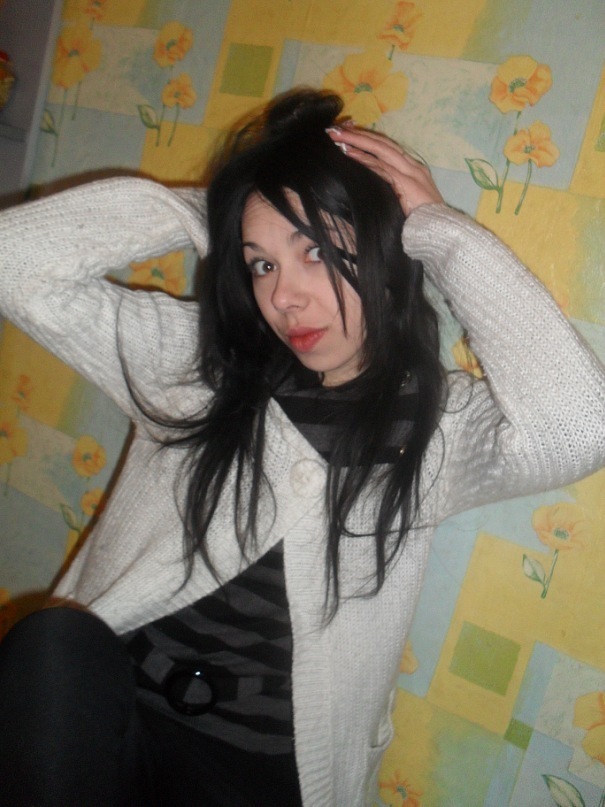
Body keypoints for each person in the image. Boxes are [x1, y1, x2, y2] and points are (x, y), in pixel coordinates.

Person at [0, 88, 603, 806]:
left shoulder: (435, 430)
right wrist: (218, 214)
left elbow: (579, 428)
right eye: (262, 266)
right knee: (52, 645)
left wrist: (438, 231)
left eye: (314, 251)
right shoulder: (195, 369)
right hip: (111, 722)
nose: (284, 297)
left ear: (385, 250)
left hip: (257, 774)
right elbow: (14, 264)